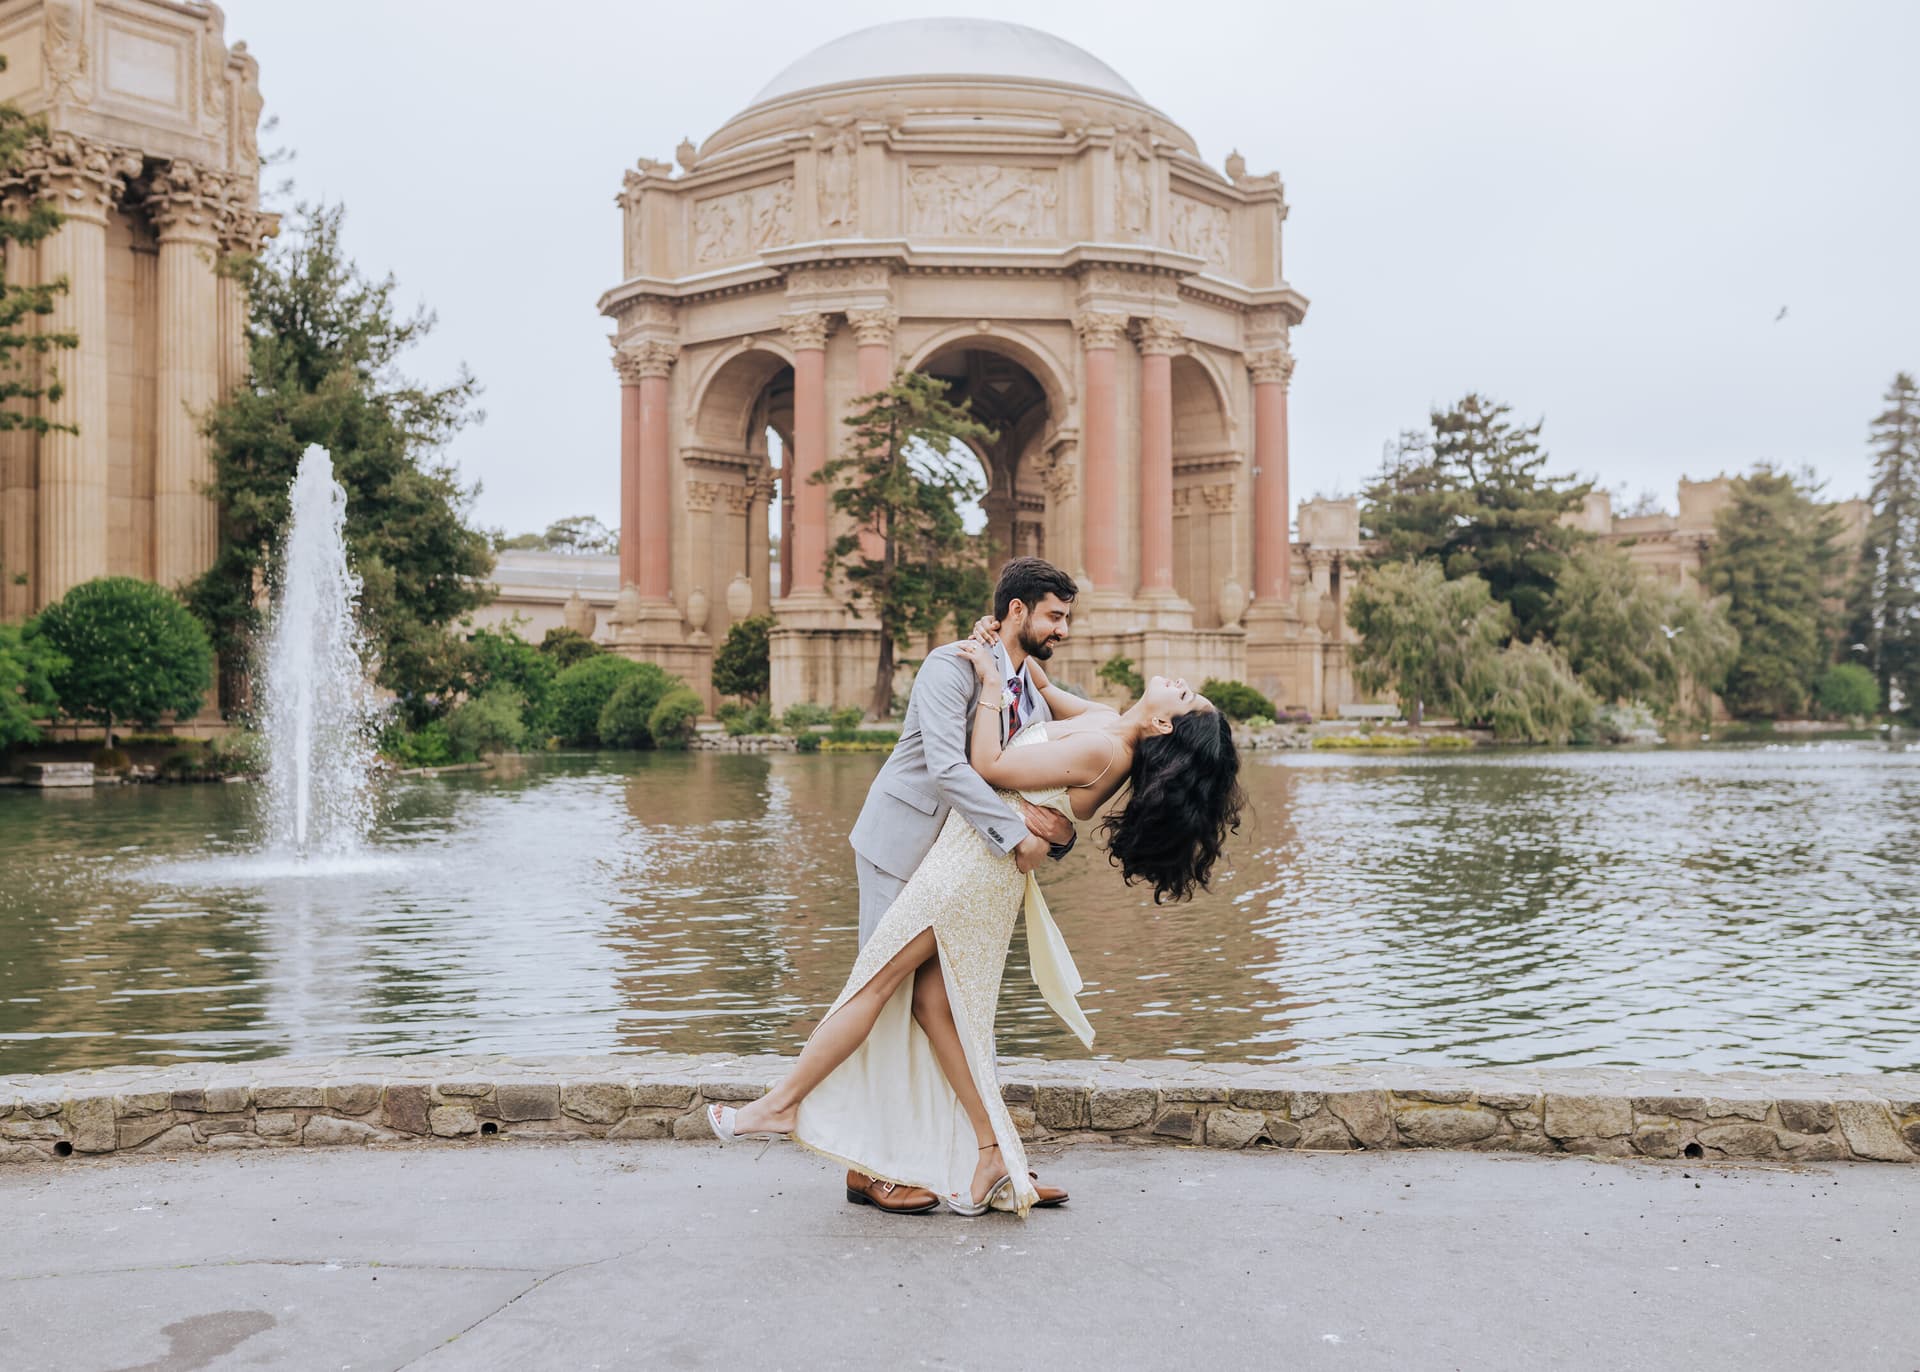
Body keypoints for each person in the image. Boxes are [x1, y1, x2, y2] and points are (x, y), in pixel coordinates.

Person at [710, 576, 1245, 1218]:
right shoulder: (1078, 713)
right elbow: (1011, 737)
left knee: (882, 990)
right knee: (933, 1009)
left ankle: (786, 1107)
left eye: (1185, 696)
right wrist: (1000, 670)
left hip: (965, 873)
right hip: (920, 849)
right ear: (1017, 610)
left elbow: (993, 771)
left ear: (1161, 722)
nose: (1063, 630)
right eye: (1054, 617)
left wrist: (996, 703)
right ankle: (988, 1155)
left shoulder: (1104, 743)